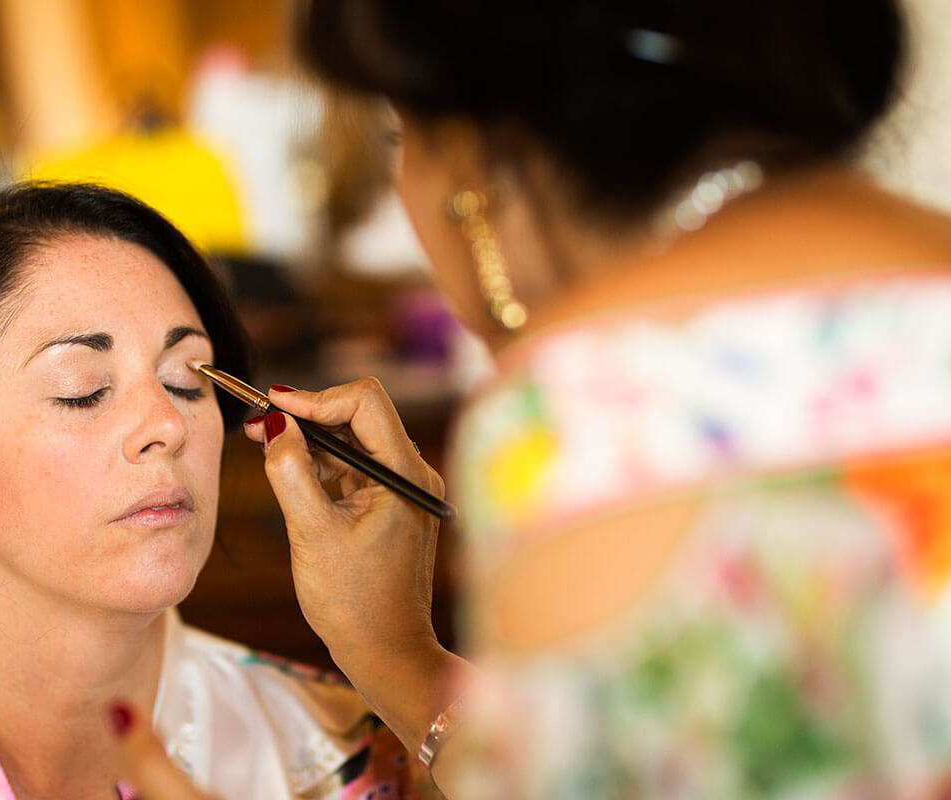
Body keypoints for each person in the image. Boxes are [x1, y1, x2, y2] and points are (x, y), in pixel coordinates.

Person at [111, 1, 951, 798]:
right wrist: (397, 655)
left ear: (475, 159)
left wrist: (402, 658)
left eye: (405, 135)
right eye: (82, 391)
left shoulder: (590, 411)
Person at [0, 183, 419, 799]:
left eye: (188, 380)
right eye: (83, 390)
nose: (166, 424)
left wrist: (408, 665)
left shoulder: (365, 755)